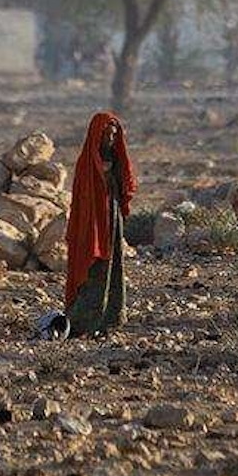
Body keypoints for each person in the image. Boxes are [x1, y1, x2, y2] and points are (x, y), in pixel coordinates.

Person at [64, 111, 136, 337]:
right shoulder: (86, 164)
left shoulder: (115, 161)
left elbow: (125, 185)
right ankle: (82, 322)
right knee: (93, 269)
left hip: (111, 220)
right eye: (106, 135)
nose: (111, 140)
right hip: (92, 225)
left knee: (114, 267)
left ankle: (109, 320)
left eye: (114, 135)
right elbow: (83, 201)